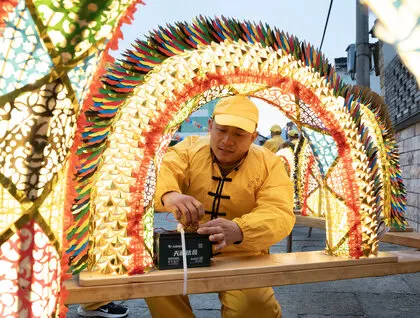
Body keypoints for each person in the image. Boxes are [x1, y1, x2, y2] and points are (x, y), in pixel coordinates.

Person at [147, 95, 295, 318]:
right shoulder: (188, 149)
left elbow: (280, 212)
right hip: (187, 246)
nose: (227, 141)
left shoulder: (269, 163)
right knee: (156, 283)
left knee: (254, 307)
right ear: (210, 126)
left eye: (239, 134)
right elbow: (161, 167)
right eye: (222, 130)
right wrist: (169, 194)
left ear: (254, 137)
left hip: (244, 251)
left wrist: (240, 230)